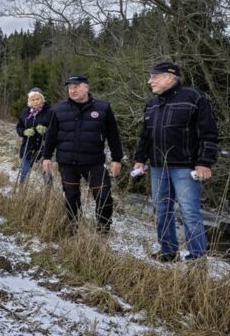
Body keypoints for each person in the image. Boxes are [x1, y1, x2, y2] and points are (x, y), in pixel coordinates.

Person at [132, 62, 219, 262]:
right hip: (157, 167)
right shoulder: (152, 104)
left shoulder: (194, 98)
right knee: (162, 210)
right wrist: (140, 159)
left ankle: (197, 258)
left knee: (189, 212)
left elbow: (209, 133)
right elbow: (145, 135)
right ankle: (168, 252)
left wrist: (204, 162)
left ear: (170, 77)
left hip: (185, 168)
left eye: (154, 77)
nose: (149, 81)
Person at [41, 75, 123, 234]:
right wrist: (46, 157)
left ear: (87, 87)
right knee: (71, 197)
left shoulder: (103, 108)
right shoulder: (58, 110)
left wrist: (116, 159)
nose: (73, 90)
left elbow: (113, 135)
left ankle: (103, 230)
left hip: (94, 162)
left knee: (104, 197)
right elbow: (51, 135)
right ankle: (73, 228)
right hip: (67, 162)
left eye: (77, 87)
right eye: (70, 88)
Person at [15, 88, 52, 184]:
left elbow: (56, 128)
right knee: (24, 172)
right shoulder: (26, 112)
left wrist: (46, 130)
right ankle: (22, 189)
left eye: (37, 99)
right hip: (28, 146)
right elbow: (19, 127)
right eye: (33, 99)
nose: (35, 102)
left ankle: (48, 190)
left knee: (46, 172)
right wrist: (24, 132)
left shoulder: (50, 111)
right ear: (29, 101)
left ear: (42, 99)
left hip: (43, 147)